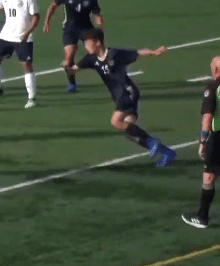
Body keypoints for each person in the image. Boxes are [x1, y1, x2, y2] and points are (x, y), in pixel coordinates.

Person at [65, 28, 175, 166]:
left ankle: (152, 142)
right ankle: (167, 153)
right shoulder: (91, 59)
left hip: (127, 92)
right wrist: (67, 68)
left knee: (115, 121)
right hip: (119, 96)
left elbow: (137, 52)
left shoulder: (115, 54)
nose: (85, 46)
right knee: (130, 132)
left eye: (88, 43)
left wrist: (154, 52)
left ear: (97, 42)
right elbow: (73, 70)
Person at [43, 0, 104, 93]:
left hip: (86, 28)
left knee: (93, 51)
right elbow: (53, 6)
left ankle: (85, 69)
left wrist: (99, 20)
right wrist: (46, 21)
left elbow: (96, 13)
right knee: (68, 59)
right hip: (70, 29)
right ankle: (71, 82)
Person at [182, 56, 220, 229]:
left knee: (209, 175)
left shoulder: (213, 87)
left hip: (219, 136)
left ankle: (202, 217)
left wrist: (203, 141)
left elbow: (207, 116)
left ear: (215, 69)